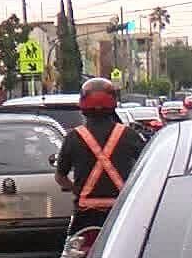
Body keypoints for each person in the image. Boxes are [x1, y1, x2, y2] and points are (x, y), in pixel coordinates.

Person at [55, 77, 147, 235]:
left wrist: (76, 189)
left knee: (74, 254)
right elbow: (147, 169)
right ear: (113, 103)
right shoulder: (129, 135)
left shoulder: (74, 137)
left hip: (85, 216)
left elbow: (60, 176)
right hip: (122, 211)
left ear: (83, 105)